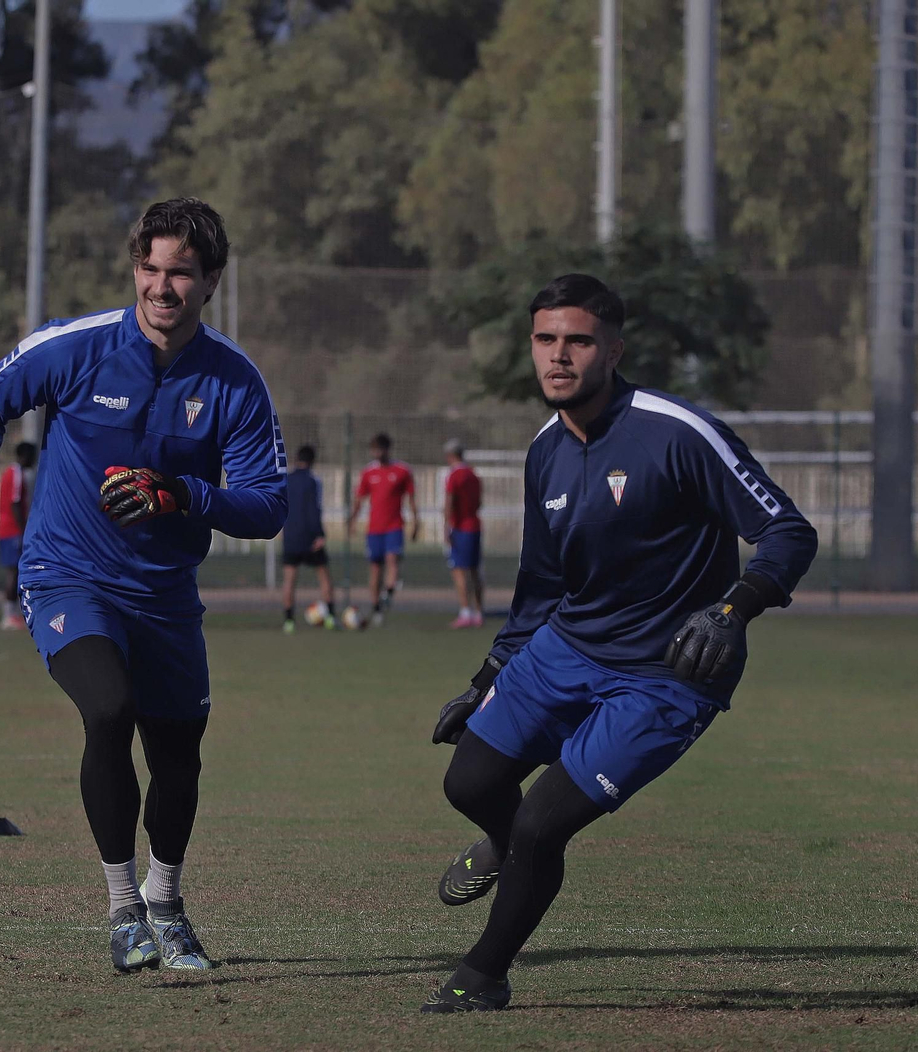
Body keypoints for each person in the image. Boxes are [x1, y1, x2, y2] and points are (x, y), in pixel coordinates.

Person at [420, 274, 817, 1013]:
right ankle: (508, 850)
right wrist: (486, 676)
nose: (558, 356)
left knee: (542, 825)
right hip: (566, 648)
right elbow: (540, 584)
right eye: (545, 340)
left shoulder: (677, 432)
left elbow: (788, 531)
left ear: (614, 349)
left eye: (578, 341)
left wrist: (733, 610)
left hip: (667, 675)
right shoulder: (545, 450)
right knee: (468, 783)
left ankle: (484, 974)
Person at [0, 198, 287, 974]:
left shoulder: (234, 381)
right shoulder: (78, 348)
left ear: (212, 282)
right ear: (136, 269)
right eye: (151, 269)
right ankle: (123, 907)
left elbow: (270, 506)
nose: (162, 287)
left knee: (179, 758)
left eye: (182, 274)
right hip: (68, 577)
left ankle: (167, 904)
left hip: (165, 597)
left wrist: (183, 494)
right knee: (109, 709)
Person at [347, 433, 419, 626]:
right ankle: (377, 607)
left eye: (379, 449)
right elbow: (359, 499)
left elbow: (411, 498)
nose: (376, 453)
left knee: (392, 559)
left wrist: (416, 522)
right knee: (375, 569)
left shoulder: (402, 471)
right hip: (374, 528)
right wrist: (352, 520)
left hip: (394, 526)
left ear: (388, 449)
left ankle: (388, 593)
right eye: (374, 449)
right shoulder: (368, 473)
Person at [282, 445, 336, 632]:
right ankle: (330, 617)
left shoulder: (286, 480)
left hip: (291, 537)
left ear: (297, 459)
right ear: (312, 461)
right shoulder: (313, 481)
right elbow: (314, 509)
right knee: (324, 577)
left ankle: (288, 621)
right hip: (310, 536)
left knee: (289, 580)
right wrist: (320, 534)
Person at [443, 439, 484, 629]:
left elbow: (450, 502)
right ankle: (478, 612)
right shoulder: (473, 474)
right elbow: (479, 503)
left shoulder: (455, 475)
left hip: (460, 528)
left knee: (459, 571)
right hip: (474, 525)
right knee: (475, 571)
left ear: (450, 455)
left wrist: (446, 527)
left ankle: (465, 612)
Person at [0, 441, 37, 630]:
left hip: (9, 529)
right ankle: (8, 615)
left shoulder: (12, 473)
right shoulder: (16, 474)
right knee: (13, 571)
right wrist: (23, 530)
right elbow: (15, 503)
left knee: (17, 570)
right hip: (12, 530)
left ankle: (13, 613)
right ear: (24, 456)